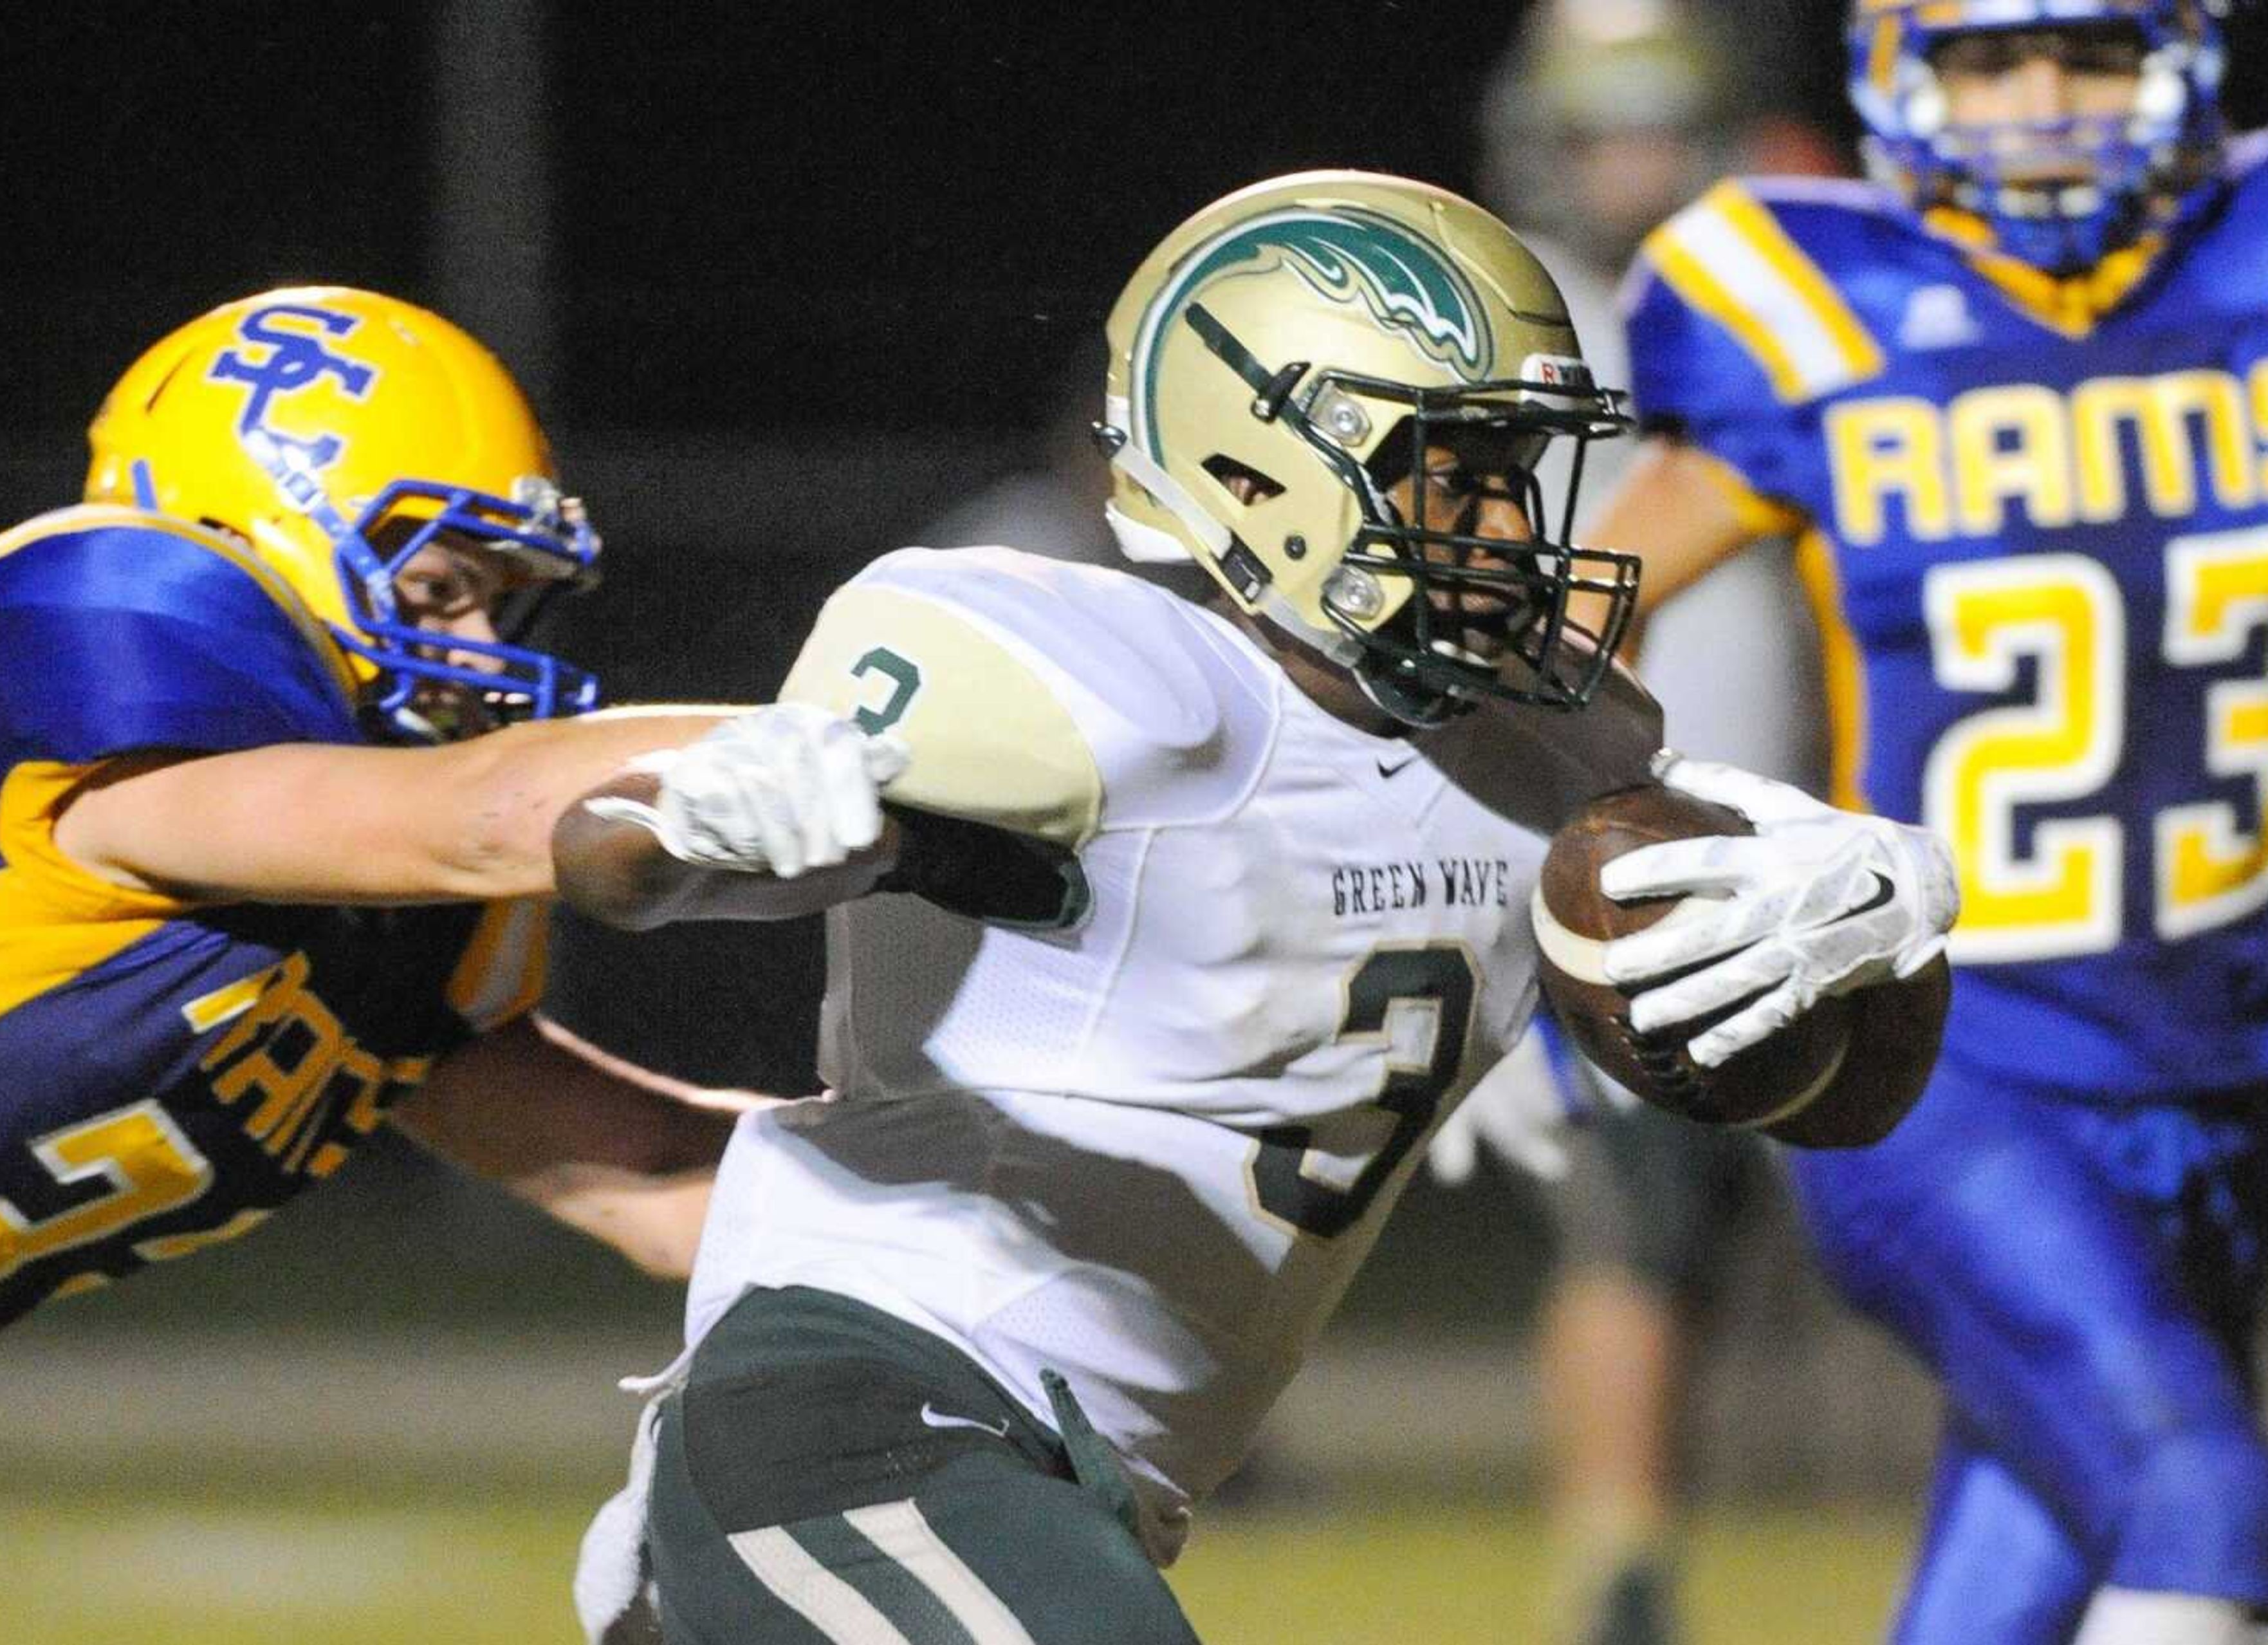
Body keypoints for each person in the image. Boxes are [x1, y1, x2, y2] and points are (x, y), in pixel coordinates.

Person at [555, 171, 1958, 1645]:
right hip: (858, 1403)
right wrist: (710, 817)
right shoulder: (1106, 684)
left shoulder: (1564, 750)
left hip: (1074, 1491)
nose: (1507, 527)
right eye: (1451, 467)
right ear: (1248, 474)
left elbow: (1848, 1102)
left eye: (1520, 470)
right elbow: (610, 854)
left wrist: (1872, 938)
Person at [1596, 2, 2268, 1639]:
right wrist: (1523, 913)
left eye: (2093, 55)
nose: (2044, 103)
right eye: (1991, 62)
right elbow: (1576, 630)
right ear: (1905, 79)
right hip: (1934, 1061)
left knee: (2041, 1547)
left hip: (2225, 1064)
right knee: (2206, 1502)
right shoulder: (1809, 303)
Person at [0, 286, 747, 1394]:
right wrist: (904, 739)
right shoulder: (104, 625)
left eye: (496, 604)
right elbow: (484, 819)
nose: (476, 644)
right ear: (251, 526)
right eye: (441, 587)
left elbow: (661, 1185)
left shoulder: (395, 910)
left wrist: (987, 1177)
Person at [1425, 6, 1842, 1639]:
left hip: (1778, 829)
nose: (1640, 164)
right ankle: (1617, 1576)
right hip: (1585, 837)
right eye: (1608, 131)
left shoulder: (1755, 289)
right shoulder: (1497, 311)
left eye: (1666, 126)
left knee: (1734, 1227)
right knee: (1634, 1225)